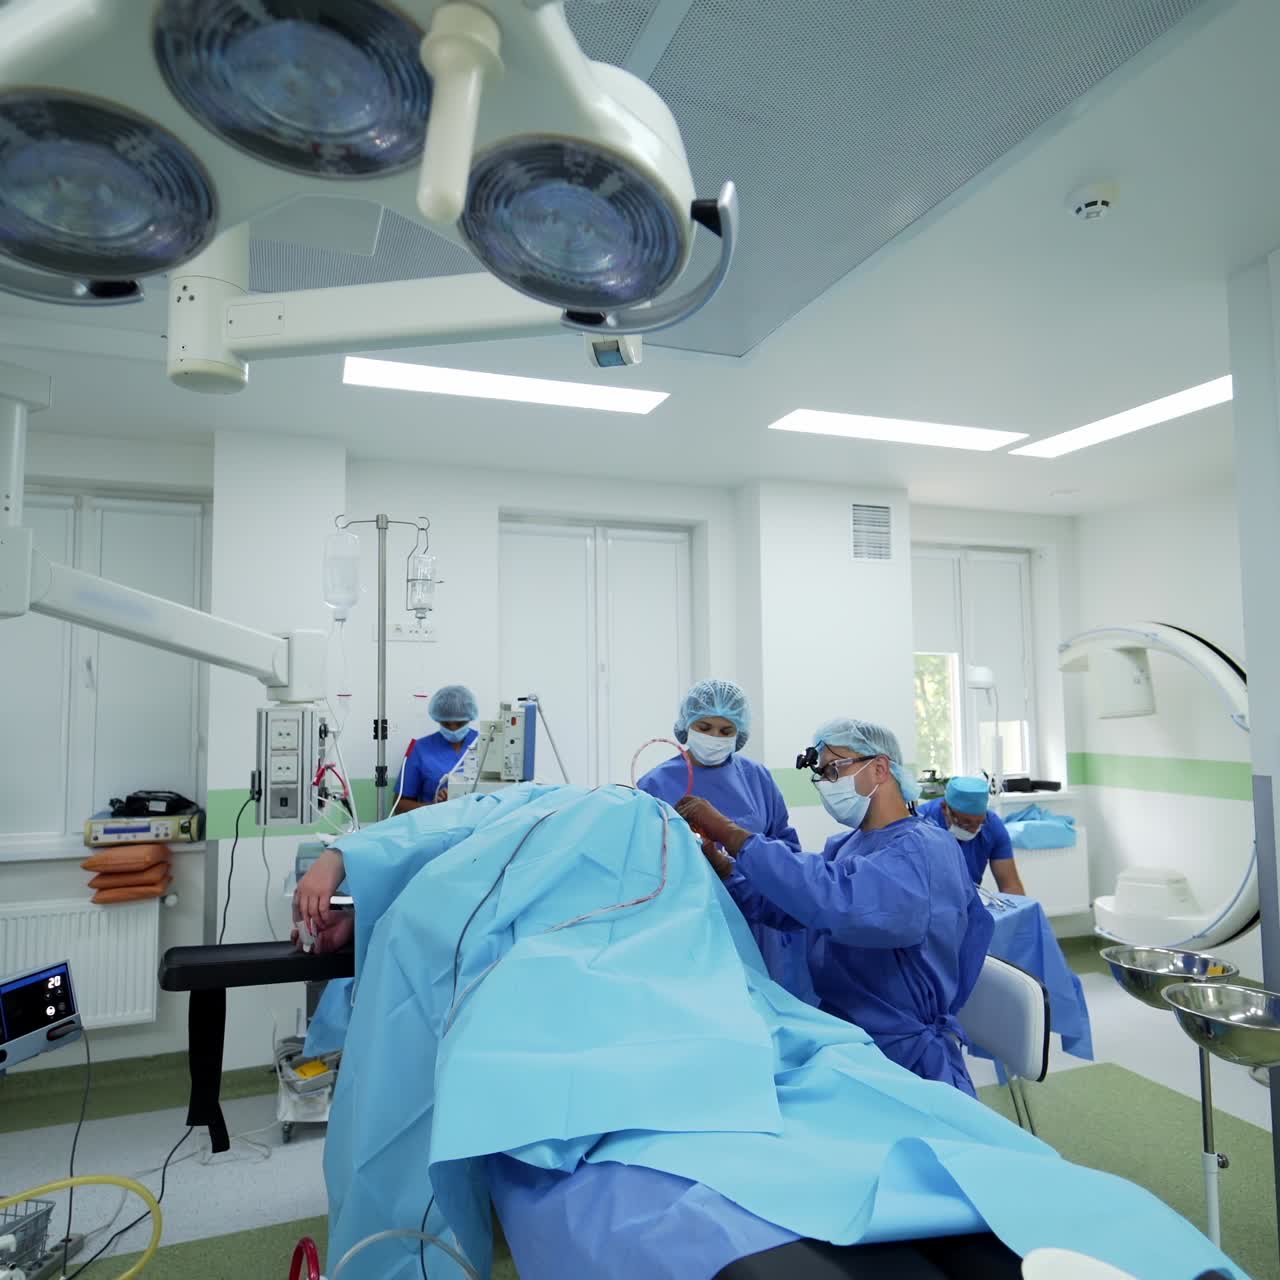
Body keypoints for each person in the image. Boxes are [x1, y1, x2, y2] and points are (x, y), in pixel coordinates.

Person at [677, 718, 993, 1096]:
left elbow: (842, 904)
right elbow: (792, 907)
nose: (827, 784)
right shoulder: (849, 845)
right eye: (822, 775)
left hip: (901, 1054)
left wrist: (734, 834)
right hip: (848, 1034)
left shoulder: (924, 848)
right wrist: (727, 868)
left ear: (879, 768)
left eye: (833, 769)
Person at [636, 679, 816, 1004]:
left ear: (739, 733)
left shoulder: (758, 779)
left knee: (762, 1008)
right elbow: (643, 866)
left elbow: (786, 855)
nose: (715, 738)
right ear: (687, 725)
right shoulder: (655, 783)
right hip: (690, 923)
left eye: (725, 730)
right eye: (705, 727)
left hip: (758, 925)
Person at [919, 777, 1026, 895]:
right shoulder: (920, 825)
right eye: (966, 822)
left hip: (969, 899)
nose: (973, 830)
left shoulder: (992, 825)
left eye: (979, 822)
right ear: (945, 808)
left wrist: (1021, 910)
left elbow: (1010, 886)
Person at [391, 684, 480, 814]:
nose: (453, 729)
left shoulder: (487, 744)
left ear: (469, 718)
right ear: (438, 718)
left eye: (460, 723)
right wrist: (434, 806)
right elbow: (399, 805)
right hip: (434, 826)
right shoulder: (421, 749)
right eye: (446, 723)